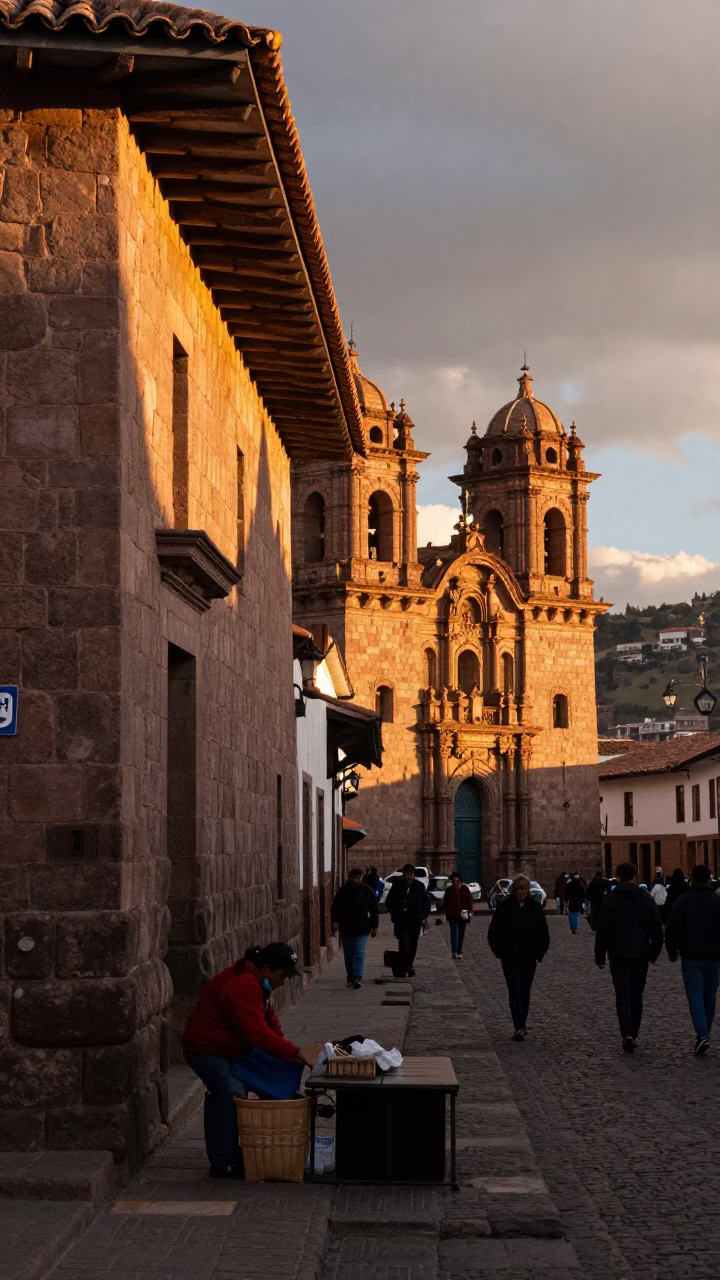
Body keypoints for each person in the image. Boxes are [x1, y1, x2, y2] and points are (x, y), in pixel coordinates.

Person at [183, 942, 322, 1178]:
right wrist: (294, 1052)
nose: (283, 982)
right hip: (206, 1050)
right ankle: (223, 1162)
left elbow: (270, 1022)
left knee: (265, 1076)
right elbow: (257, 1034)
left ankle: (233, 1150)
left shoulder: (259, 984)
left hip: (231, 1047)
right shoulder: (244, 985)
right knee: (230, 1092)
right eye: (283, 976)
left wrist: (287, 1050)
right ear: (267, 969)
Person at [594, 862, 663, 1053]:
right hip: (640, 953)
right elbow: (656, 927)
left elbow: (603, 929)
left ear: (617, 876)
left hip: (618, 954)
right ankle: (634, 1031)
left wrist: (600, 954)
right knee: (636, 994)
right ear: (635, 876)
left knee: (623, 995)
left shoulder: (611, 899)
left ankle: (627, 1033)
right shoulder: (645, 898)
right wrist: (654, 952)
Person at [665, 863, 720, 1055]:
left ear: (692, 879)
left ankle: (702, 1035)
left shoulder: (682, 901)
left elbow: (672, 929)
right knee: (710, 996)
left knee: (695, 995)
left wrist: (672, 950)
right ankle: (704, 1034)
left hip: (691, 956)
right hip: (714, 956)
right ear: (708, 879)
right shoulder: (717, 900)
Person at [487, 874, 550, 1040]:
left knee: (524, 991)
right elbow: (494, 931)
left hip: (528, 956)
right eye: (519, 888)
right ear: (514, 890)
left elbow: (543, 932)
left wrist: (539, 953)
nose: (522, 892)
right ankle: (519, 1026)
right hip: (509, 957)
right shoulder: (504, 906)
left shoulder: (535, 907)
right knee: (514, 990)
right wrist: (499, 952)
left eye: (524, 888)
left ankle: (522, 1022)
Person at [331, 867, 379, 988]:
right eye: (356, 877)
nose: (358, 879)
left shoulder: (368, 891)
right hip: (346, 927)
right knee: (348, 954)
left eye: (360, 877)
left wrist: (374, 926)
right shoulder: (343, 891)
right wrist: (335, 921)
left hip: (362, 927)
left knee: (359, 952)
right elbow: (335, 907)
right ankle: (350, 977)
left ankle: (358, 977)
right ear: (351, 877)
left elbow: (374, 910)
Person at [386, 863, 432, 977]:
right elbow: (389, 902)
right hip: (401, 921)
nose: (410, 877)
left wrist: (423, 915)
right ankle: (403, 966)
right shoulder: (397, 886)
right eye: (408, 875)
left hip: (415, 921)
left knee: (413, 944)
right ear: (404, 875)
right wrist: (395, 914)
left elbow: (426, 902)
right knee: (405, 944)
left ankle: (409, 965)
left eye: (411, 874)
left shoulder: (419, 886)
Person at [443, 870, 474, 958]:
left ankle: (459, 951)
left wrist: (470, 911)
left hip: (464, 912)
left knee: (461, 933)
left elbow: (469, 901)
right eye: (454, 881)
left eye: (457, 880)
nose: (456, 882)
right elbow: (445, 902)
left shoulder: (465, 888)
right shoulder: (449, 890)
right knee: (453, 933)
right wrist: (445, 911)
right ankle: (454, 951)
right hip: (452, 912)